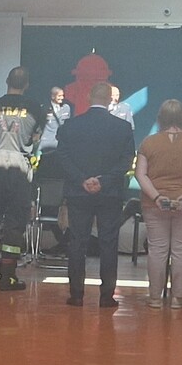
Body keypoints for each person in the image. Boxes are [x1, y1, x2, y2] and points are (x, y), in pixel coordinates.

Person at [53, 82, 135, 307]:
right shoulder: (123, 127)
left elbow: (63, 157)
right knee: (108, 242)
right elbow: (126, 160)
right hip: (109, 193)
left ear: (89, 97)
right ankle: (107, 296)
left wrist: (82, 179)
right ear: (110, 99)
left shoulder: (71, 126)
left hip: (78, 192)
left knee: (77, 241)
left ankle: (76, 294)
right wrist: (103, 181)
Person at [135, 99, 182, 308]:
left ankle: (154, 298)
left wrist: (156, 197)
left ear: (160, 118)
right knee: (181, 249)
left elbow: (140, 174)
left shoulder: (148, 143)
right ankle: (178, 298)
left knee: (157, 250)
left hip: (154, 205)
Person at [0, 68, 41, 291]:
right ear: (27, 85)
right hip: (20, 166)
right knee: (15, 223)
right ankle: (8, 278)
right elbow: (36, 137)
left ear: (6, 81)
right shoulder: (35, 108)